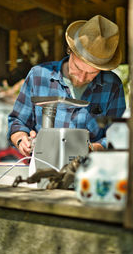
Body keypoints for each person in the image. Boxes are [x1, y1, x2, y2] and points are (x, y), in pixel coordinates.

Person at [8, 15, 126, 157]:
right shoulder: (38, 76)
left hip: (89, 172)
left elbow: (118, 136)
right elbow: (17, 121)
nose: (82, 78)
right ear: (70, 50)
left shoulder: (112, 86)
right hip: (41, 169)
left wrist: (90, 149)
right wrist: (21, 140)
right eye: (77, 68)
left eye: (92, 73)